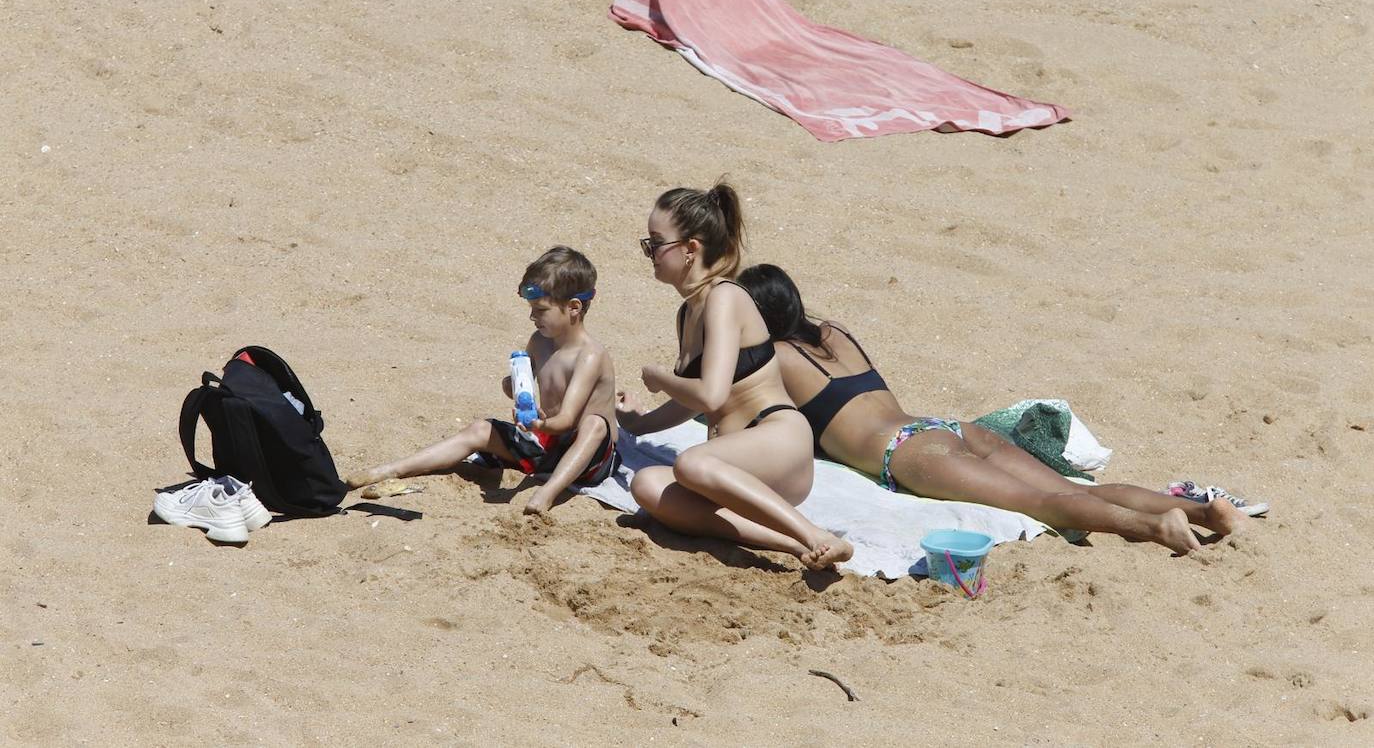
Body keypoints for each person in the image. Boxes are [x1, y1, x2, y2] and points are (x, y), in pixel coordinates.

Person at [734, 263, 1251, 554]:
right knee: (1070, 488)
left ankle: (1155, 528)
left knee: (1041, 503)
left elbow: (724, 399)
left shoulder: (775, 359)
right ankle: (1204, 512)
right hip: (945, 429)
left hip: (907, 452)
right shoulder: (833, 332)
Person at [616, 183, 853, 570]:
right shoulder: (688, 311)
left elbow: (710, 396)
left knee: (690, 465)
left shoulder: (724, 297)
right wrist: (640, 424)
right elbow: (688, 403)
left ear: (690, 249)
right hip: (735, 463)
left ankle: (813, 533)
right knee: (648, 487)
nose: (650, 253)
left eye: (656, 243)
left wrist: (660, 376)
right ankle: (795, 544)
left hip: (776, 440)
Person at [346, 246, 620, 515]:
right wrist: (513, 386)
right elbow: (513, 389)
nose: (532, 316)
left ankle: (546, 493)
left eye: (541, 310)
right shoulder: (539, 342)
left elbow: (569, 419)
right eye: (531, 308)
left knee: (594, 425)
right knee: (480, 429)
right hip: (546, 442)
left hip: (586, 459)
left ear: (573, 307)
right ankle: (391, 469)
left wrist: (539, 423)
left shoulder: (589, 355)